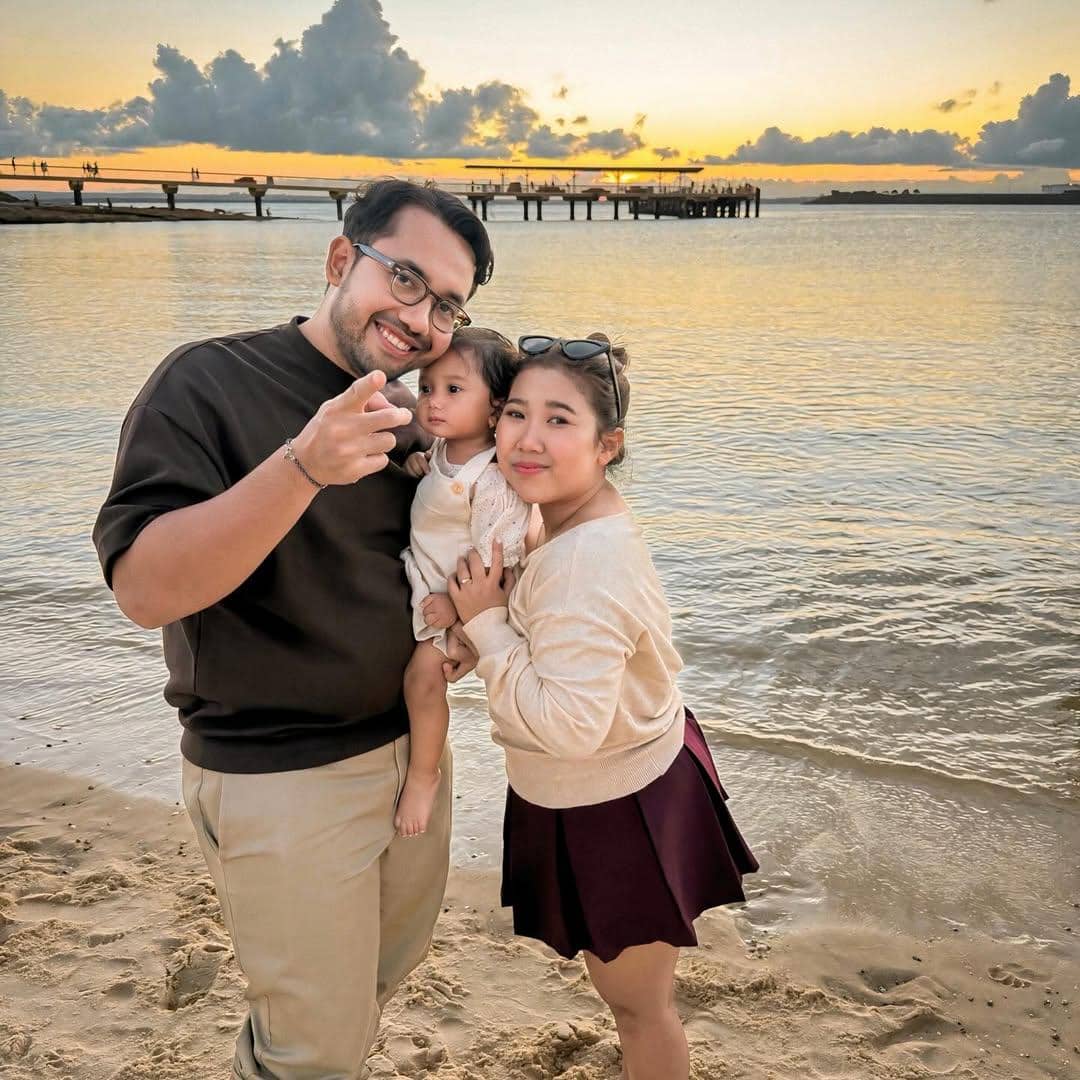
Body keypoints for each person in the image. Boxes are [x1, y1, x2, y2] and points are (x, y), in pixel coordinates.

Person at [92, 179, 494, 1079]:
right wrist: (303, 468)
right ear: (341, 260)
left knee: (368, 998)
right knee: (310, 1050)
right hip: (280, 773)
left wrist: (464, 622)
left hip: (410, 761)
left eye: (448, 305)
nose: (422, 316)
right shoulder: (209, 381)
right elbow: (144, 588)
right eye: (405, 278)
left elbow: (428, 555)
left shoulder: (412, 411)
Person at [449, 334, 758, 1080]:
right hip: (616, 779)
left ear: (607, 444)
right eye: (516, 413)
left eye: (559, 420)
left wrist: (487, 625)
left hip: (618, 801)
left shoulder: (584, 561)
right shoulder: (561, 523)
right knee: (632, 998)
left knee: (639, 1007)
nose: (527, 438)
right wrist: (490, 623)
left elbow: (569, 725)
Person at [396, 327, 529, 837]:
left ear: (495, 409)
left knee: (423, 682)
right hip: (428, 583)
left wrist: (457, 610)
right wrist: (419, 466)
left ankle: (423, 778)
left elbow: (501, 559)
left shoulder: (491, 480)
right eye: (427, 388)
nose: (433, 402)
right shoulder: (446, 452)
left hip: (460, 600)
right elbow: (437, 485)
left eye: (454, 390)